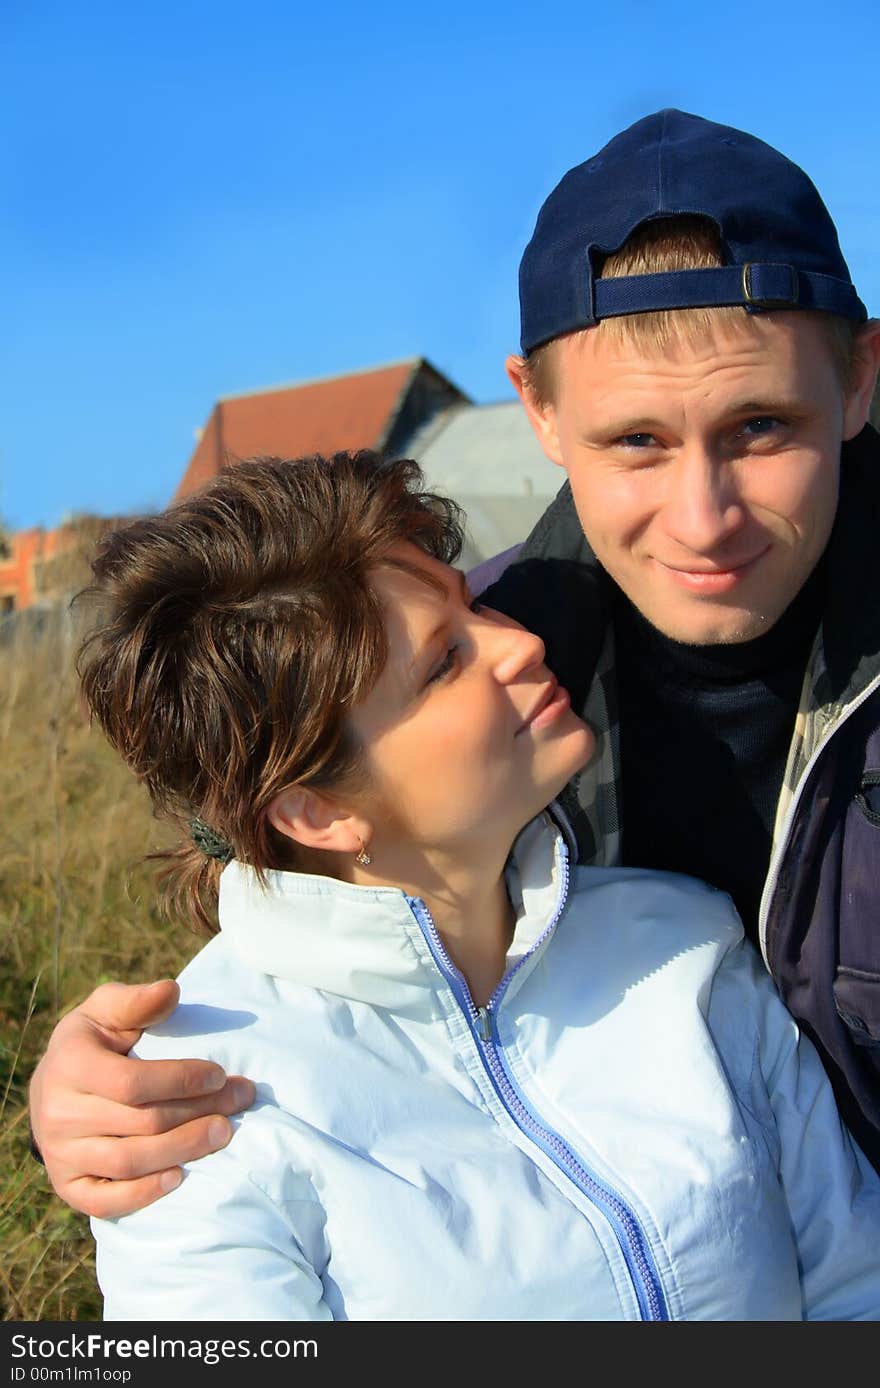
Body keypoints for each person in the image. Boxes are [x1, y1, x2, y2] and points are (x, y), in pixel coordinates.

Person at [28, 109, 880, 1208]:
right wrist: (103, 1081)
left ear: (859, 378)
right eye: (637, 442)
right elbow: (283, 849)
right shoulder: (479, 669)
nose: (703, 517)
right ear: (536, 410)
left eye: (761, 427)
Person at [79, 451, 880, 1320]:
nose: (520, 643)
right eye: (443, 663)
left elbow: (855, 1286)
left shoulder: (686, 944)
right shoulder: (192, 1101)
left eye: (473, 605)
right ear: (314, 810)